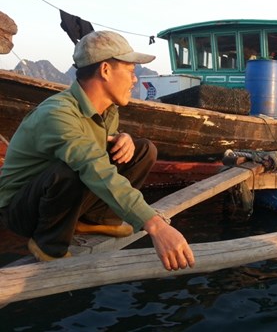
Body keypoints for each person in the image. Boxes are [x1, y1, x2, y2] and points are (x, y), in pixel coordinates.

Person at [0, 31, 195, 271]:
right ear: (105, 70)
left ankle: (95, 219)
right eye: (131, 71)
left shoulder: (107, 111)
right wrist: (156, 225)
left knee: (143, 149)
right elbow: (93, 165)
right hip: (21, 212)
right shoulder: (57, 114)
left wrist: (124, 139)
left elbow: (97, 154)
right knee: (74, 168)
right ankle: (48, 243)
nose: (135, 80)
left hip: (59, 196)